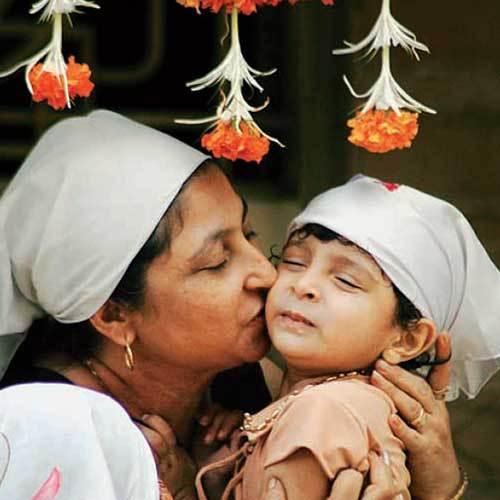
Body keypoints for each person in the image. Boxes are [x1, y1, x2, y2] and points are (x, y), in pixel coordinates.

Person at [0, 110, 461, 499]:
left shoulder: (243, 386)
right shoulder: (50, 430)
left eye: (251, 235)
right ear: (114, 315)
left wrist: (437, 484)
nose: (265, 273)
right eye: (217, 262)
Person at [195, 175, 500, 500]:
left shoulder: (325, 412)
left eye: (346, 280)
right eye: (294, 262)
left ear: (407, 339)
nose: (304, 285)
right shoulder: (325, 403)